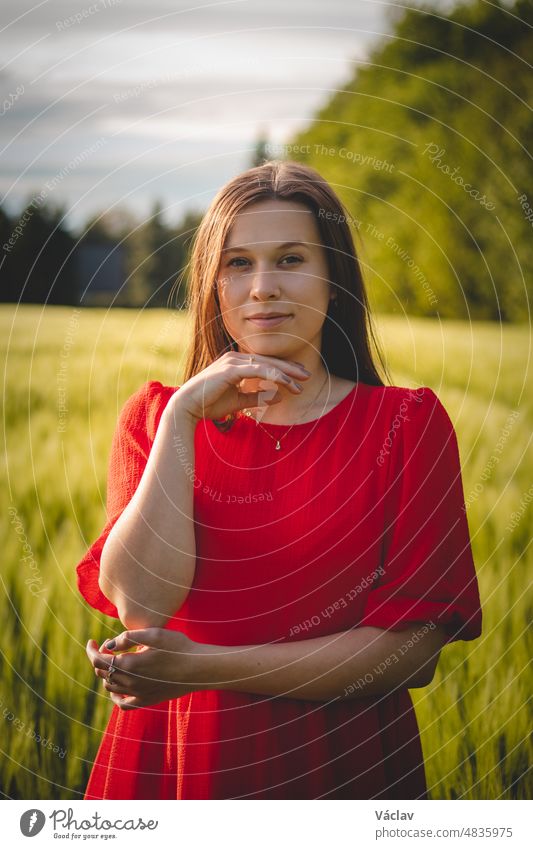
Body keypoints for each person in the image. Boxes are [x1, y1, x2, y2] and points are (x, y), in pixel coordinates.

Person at [77, 159, 482, 800]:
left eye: (291, 258)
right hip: (170, 768)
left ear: (333, 278)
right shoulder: (155, 419)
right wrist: (182, 419)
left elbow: (412, 653)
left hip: (336, 766)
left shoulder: (407, 426)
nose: (261, 286)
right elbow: (142, 604)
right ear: (212, 284)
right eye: (237, 263)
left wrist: (205, 668)